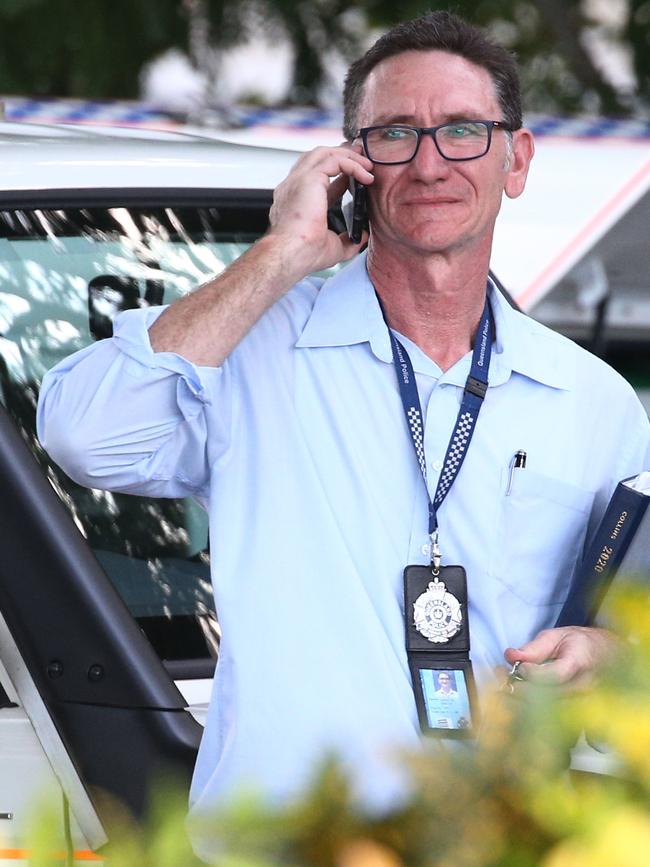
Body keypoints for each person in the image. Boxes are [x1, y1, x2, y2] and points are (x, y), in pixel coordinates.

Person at [37, 8, 649, 830]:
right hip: (285, 847)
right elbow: (82, 430)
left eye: (463, 130)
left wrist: (607, 656)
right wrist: (283, 250)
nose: (430, 163)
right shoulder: (251, 348)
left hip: (492, 843)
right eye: (395, 133)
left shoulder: (594, 398)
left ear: (518, 158)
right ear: (352, 165)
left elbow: (626, 633)